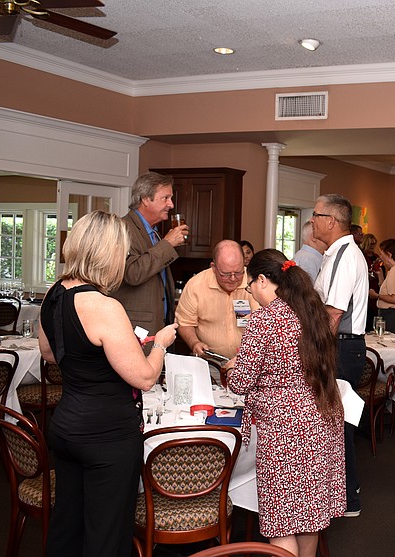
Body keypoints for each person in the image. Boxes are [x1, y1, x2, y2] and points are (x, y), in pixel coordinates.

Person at [38, 211, 178, 557]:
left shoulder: (53, 294)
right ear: (109, 254)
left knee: (68, 526)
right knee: (107, 535)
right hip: (107, 436)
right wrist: (159, 343)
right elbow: (145, 377)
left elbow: (51, 354)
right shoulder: (103, 305)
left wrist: (95, 358)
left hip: (67, 427)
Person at [227, 249, 345, 557]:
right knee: (309, 515)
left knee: (281, 521)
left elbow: (241, 383)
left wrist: (233, 368)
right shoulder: (312, 310)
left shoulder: (262, 321)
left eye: (250, 283)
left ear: (263, 280)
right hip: (321, 417)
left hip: (285, 428)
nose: (250, 290)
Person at [311, 194, 368, 517]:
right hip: (345, 345)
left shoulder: (345, 255)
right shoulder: (337, 253)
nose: (313, 222)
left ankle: (348, 499)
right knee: (337, 422)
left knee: (337, 423)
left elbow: (332, 314)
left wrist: (317, 353)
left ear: (331, 221)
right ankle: (346, 492)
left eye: (316, 216)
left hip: (341, 346)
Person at [112, 171, 188, 336]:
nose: (171, 204)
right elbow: (132, 273)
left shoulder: (153, 232)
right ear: (145, 199)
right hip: (136, 329)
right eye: (165, 198)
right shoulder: (123, 228)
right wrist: (167, 244)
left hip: (159, 327)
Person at [175, 239, 260, 360]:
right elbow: (185, 323)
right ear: (214, 268)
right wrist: (194, 343)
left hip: (248, 361)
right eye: (225, 274)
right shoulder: (196, 286)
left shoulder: (255, 283)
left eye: (238, 272)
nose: (233, 278)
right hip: (211, 361)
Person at [369, 238, 395, 337]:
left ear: (389, 255)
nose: (380, 257)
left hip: (392, 316)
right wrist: (380, 276)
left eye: (382, 254)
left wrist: (376, 295)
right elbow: (388, 291)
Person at [359, 233, 381, 332]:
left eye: (374, 244)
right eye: (370, 244)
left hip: (375, 287)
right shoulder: (360, 255)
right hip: (365, 289)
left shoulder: (376, 257)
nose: (372, 246)